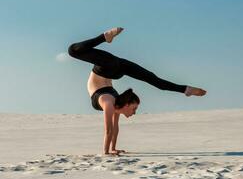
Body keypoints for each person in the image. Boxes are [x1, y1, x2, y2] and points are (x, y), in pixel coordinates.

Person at [68, 27, 206, 156]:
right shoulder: (114, 102)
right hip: (115, 67)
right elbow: (113, 129)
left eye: (134, 109)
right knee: (153, 80)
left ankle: (105, 37)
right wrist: (112, 149)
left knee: (73, 51)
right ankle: (185, 89)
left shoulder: (108, 102)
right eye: (135, 109)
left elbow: (110, 130)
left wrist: (107, 152)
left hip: (107, 67)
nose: (134, 113)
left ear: (126, 104)